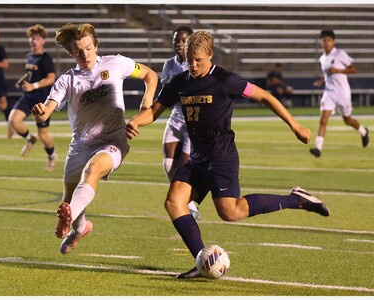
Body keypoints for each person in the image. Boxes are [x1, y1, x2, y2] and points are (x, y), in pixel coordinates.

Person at [125, 31, 330, 279]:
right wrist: (137, 121)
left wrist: (295, 126)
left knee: (229, 212)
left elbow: (265, 96)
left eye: (198, 59)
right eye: (190, 58)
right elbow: (154, 112)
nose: (193, 64)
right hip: (197, 157)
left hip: (221, 156)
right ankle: (203, 261)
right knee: (173, 202)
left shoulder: (225, 80)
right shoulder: (179, 82)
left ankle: (296, 199)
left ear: (210, 55)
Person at [31, 23, 158, 254]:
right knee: (70, 200)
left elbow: (150, 74)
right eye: (79, 51)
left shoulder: (116, 63)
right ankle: (79, 229)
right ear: (71, 53)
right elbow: (48, 110)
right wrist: (41, 114)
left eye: (89, 48)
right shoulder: (67, 80)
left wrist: (146, 100)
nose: (85, 55)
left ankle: (68, 221)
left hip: (113, 140)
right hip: (80, 144)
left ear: (96, 45)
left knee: (93, 170)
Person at [161, 25, 201, 220]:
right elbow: (166, 88)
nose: (179, 44)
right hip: (176, 116)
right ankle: (185, 201)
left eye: (183, 40)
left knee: (183, 167)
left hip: (192, 120)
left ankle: (188, 202)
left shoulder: (196, 63)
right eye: (176, 40)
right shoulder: (169, 63)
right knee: (169, 164)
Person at [310, 29, 369, 158]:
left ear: (333, 42)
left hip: (343, 93)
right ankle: (318, 148)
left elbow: (354, 69)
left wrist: (338, 70)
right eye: (323, 40)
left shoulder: (340, 54)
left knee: (347, 120)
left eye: (328, 40)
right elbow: (328, 75)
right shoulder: (322, 59)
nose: (326, 42)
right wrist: (322, 81)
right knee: (323, 120)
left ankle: (364, 132)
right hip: (329, 92)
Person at [8, 24, 57, 171]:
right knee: (13, 120)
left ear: (43, 40)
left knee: (43, 134)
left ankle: (52, 155)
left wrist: (33, 86)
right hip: (28, 96)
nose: (33, 40)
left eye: (36, 38)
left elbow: (51, 78)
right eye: (31, 37)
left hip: (42, 100)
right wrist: (23, 81)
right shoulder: (29, 56)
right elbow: (30, 74)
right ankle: (30, 139)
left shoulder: (45, 58)